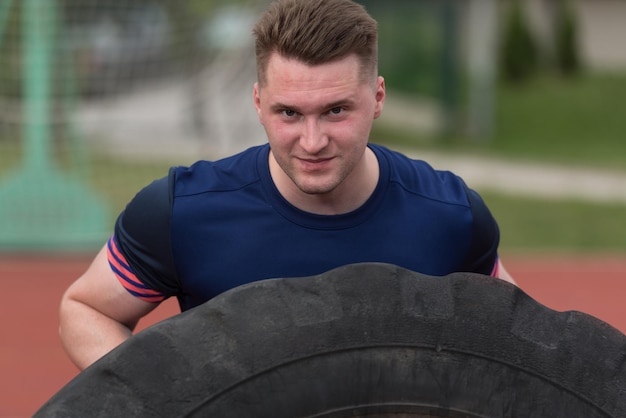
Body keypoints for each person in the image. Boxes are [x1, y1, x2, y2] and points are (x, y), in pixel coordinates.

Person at [60, 0, 516, 370]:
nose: (312, 142)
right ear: (258, 103)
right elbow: (86, 310)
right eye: (289, 113)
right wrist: (168, 399)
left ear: (377, 98)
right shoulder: (182, 210)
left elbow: (518, 344)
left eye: (336, 110)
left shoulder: (450, 214)